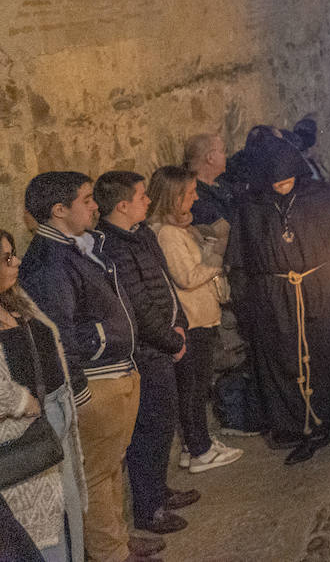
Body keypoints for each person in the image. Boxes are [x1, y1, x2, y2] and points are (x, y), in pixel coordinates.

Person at [227, 137, 330, 464]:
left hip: (323, 291)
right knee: (286, 359)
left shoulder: (322, 198)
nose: (282, 184)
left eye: (287, 178)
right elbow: (242, 262)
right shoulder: (252, 208)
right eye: (275, 180)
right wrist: (248, 301)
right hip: (276, 298)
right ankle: (300, 425)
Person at [19, 172, 145, 562]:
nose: (95, 206)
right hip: (97, 381)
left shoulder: (79, 248)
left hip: (116, 373)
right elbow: (59, 331)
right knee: (95, 477)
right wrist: (106, 338)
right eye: (87, 199)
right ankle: (111, 554)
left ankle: (118, 542)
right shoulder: (50, 263)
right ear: (59, 210)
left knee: (110, 471)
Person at [93, 172, 196, 538]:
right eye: (141, 196)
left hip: (165, 342)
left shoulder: (142, 234)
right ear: (122, 205)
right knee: (148, 430)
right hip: (147, 351)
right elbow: (136, 302)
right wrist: (171, 339)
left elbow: (163, 283)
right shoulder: (113, 247)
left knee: (163, 424)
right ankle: (148, 508)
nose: (148, 201)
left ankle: (159, 490)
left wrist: (179, 323)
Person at [145, 167, 241, 475]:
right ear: (174, 197)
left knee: (197, 386)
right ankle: (199, 449)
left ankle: (194, 445)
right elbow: (187, 276)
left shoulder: (175, 229)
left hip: (200, 315)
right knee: (194, 388)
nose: (196, 197)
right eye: (189, 193)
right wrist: (216, 264)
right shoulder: (169, 234)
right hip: (193, 318)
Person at [0, 228, 86, 562]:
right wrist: (23, 402)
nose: (16, 261)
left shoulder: (13, 299)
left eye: (14, 253)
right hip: (16, 441)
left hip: (47, 420)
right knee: (36, 535)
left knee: (64, 518)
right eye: (6, 258)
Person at [183, 133, 232, 231]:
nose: (226, 156)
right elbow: (225, 231)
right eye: (223, 151)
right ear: (210, 158)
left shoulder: (221, 183)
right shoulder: (194, 195)